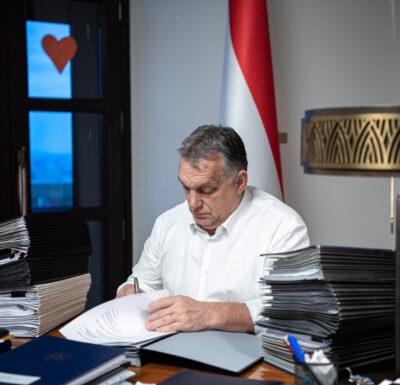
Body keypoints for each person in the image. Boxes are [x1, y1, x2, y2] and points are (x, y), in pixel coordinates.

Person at [117, 125, 309, 334]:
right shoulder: (168, 222)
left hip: (247, 351)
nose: (192, 204)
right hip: (167, 348)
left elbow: (289, 309)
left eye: (206, 190)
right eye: (186, 188)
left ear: (240, 182)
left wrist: (208, 313)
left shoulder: (283, 227)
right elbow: (143, 282)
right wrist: (130, 293)